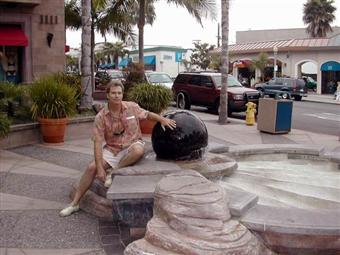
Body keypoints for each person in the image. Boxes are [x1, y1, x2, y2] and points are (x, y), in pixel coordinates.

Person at [59, 80, 176, 217]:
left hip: (132, 144)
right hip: (112, 148)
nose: (117, 96)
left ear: (122, 94)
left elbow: (147, 114)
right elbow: (97, 143)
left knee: (138, 150)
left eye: (119, 93)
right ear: (107, 95)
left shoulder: (131, 107)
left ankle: (114, 171)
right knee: (92, 168)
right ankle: (75, 203)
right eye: (113, 93)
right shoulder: (101, 117)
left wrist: (162, 119)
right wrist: (100, 168)